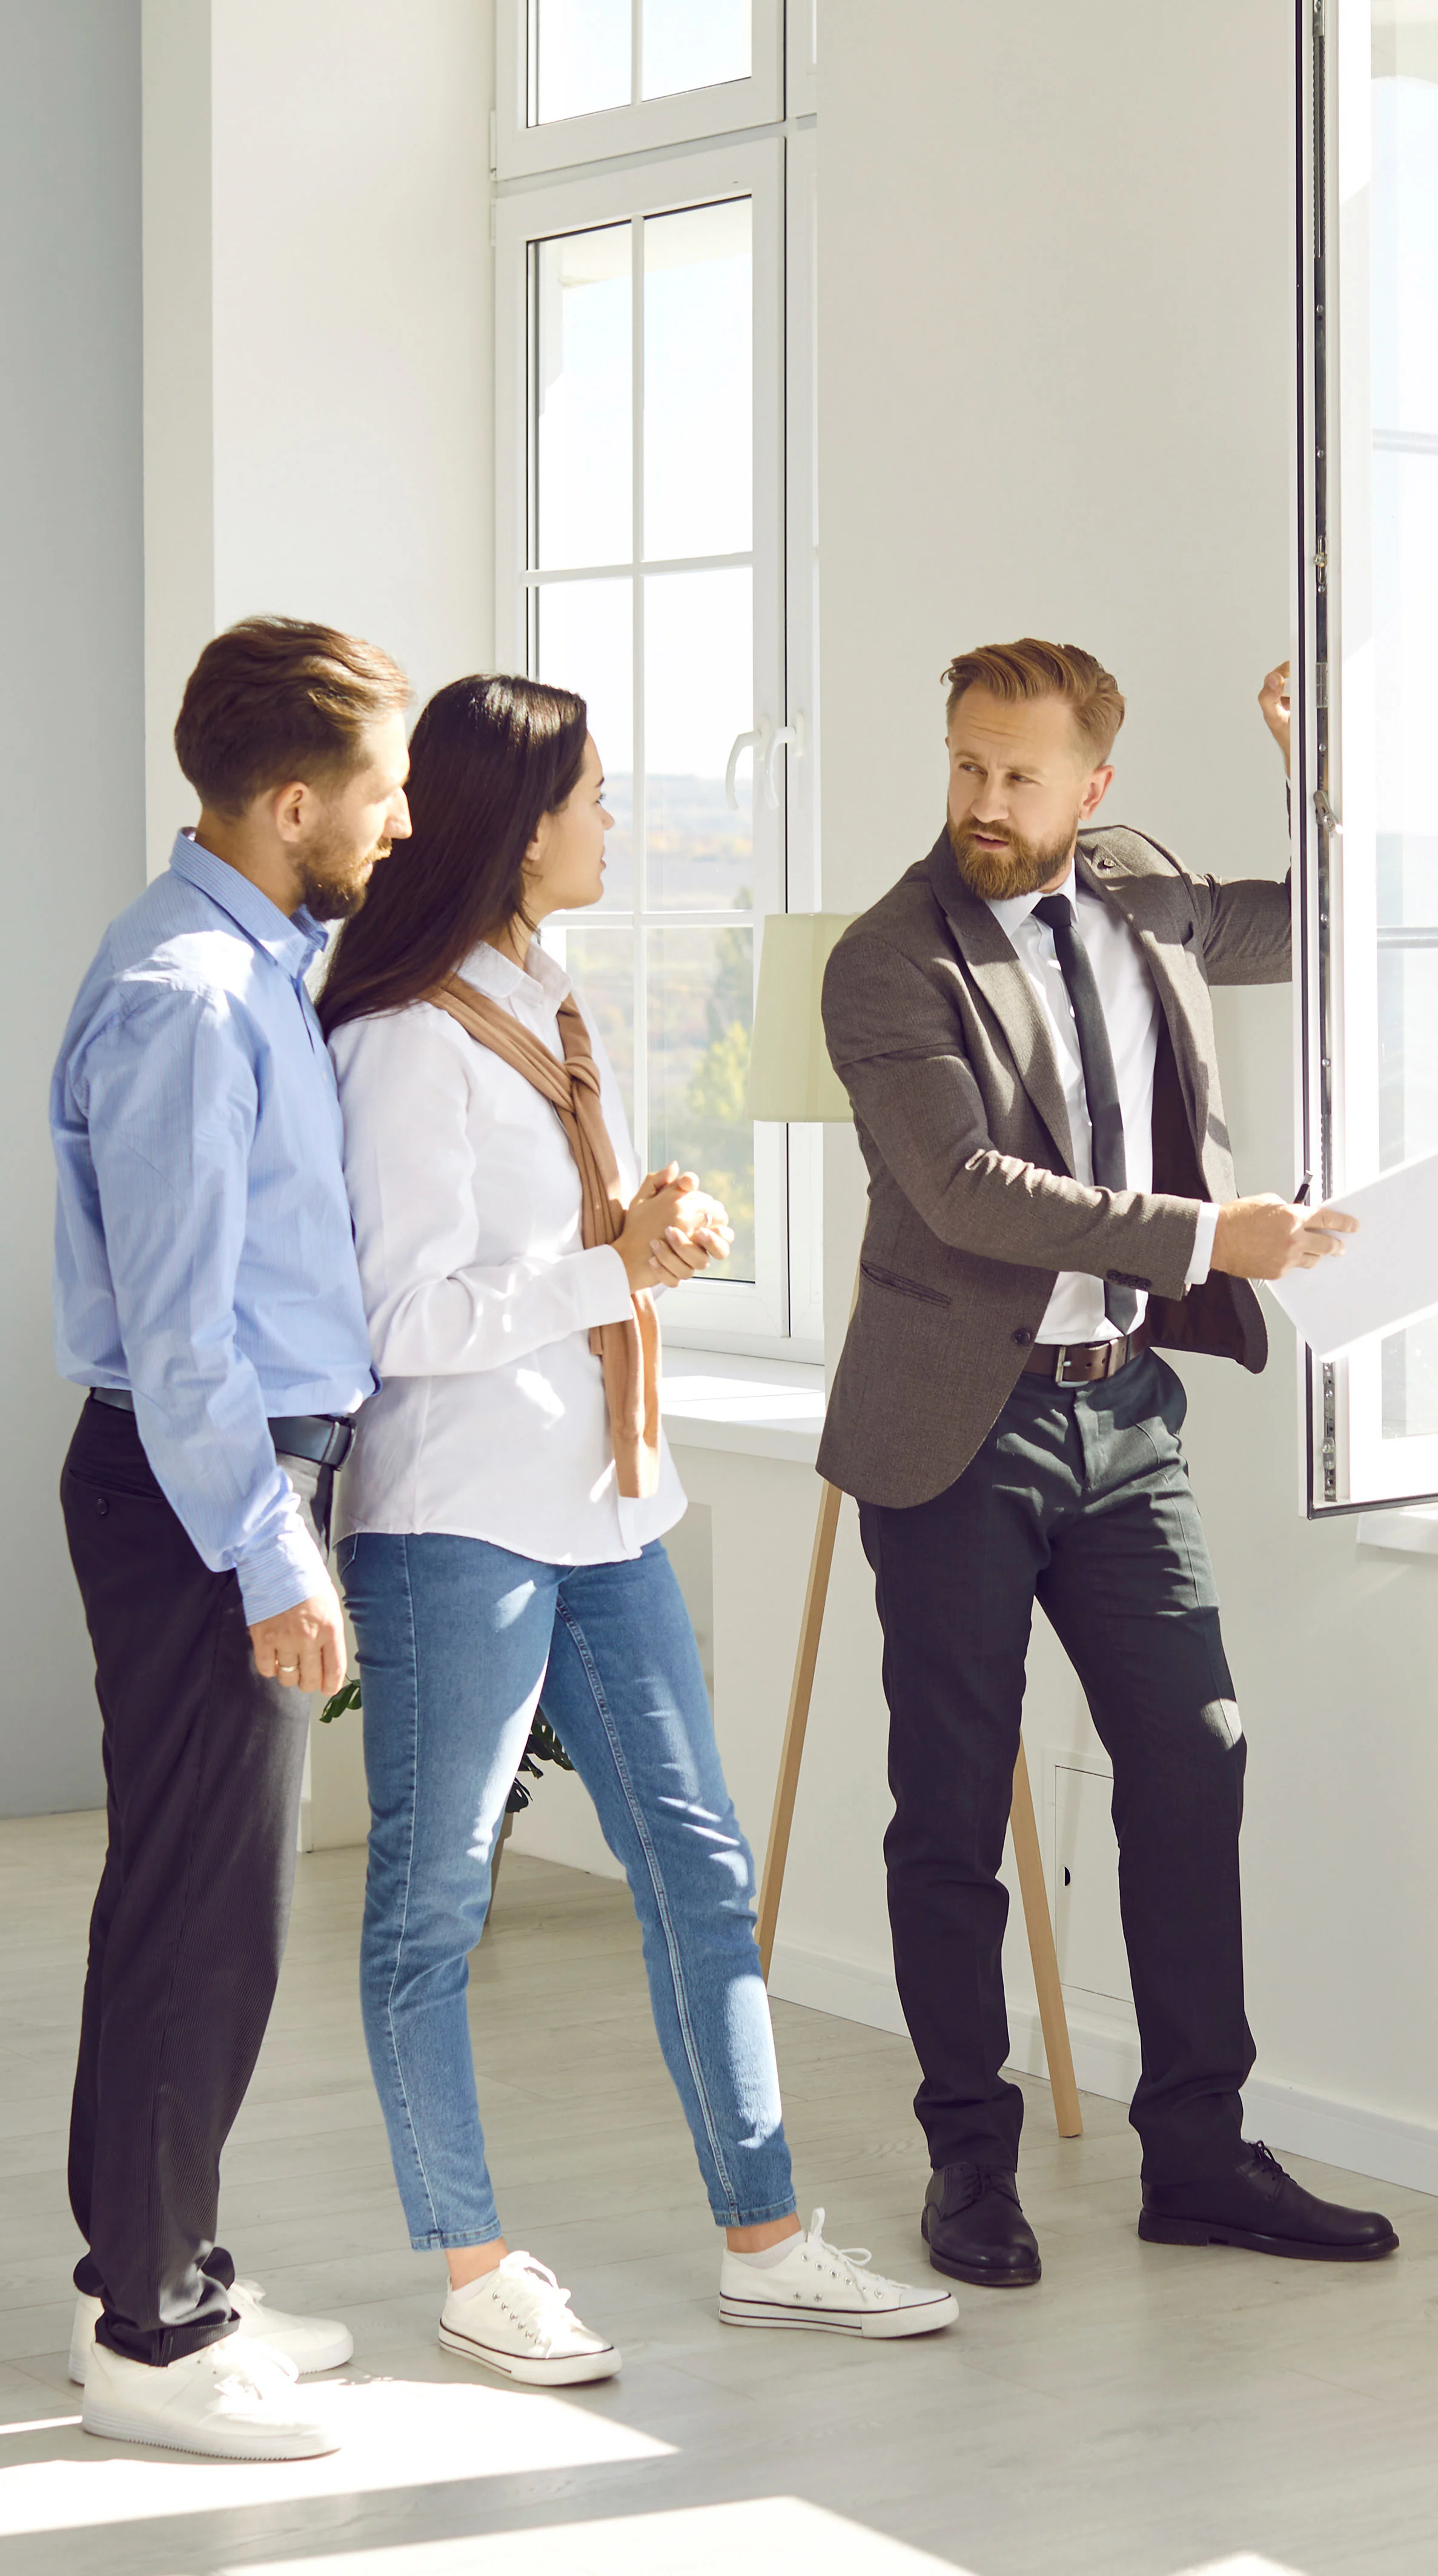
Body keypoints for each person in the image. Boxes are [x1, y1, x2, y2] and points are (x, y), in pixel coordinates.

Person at [316, 673, 957, 2382]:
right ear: (521, 825)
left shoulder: (549, 1000)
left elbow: (544, 1251)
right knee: (432, 1903)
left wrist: (640, 1217)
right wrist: (621, 1267)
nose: (617, 818)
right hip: (458, 1520)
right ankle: (473, 2261)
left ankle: (765, 2240)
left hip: (599, 1501)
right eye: (597, 795)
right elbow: (401, 1320)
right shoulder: (402, 1043)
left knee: (701, 1867)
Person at [820, 637, 1396, 2289]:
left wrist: (1317, 770)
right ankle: (968, 2164)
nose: (985, 803)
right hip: (956, 1430)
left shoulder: (1140, 893)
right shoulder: (887, 963)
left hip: (1126, 1414)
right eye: (964, 766)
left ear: (1095, 785)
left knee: (1194, 1758)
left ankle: (1199, 2154)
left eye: (1019, 774)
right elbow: (966, 1190)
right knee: (950, 1807)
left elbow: (1326, 926)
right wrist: (1219, 1233)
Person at [53, 616, 414, 2460]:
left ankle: (158, 2252)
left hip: (227, 1473)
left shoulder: (248, 958)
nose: (401, 823)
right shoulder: (195, 996)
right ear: (293, 805)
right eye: (381, 791)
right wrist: (276, 1554)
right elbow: (186, 1328)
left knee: (180, 1892)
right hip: (213, 1485)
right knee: (214, 1912)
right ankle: (154, 2339)